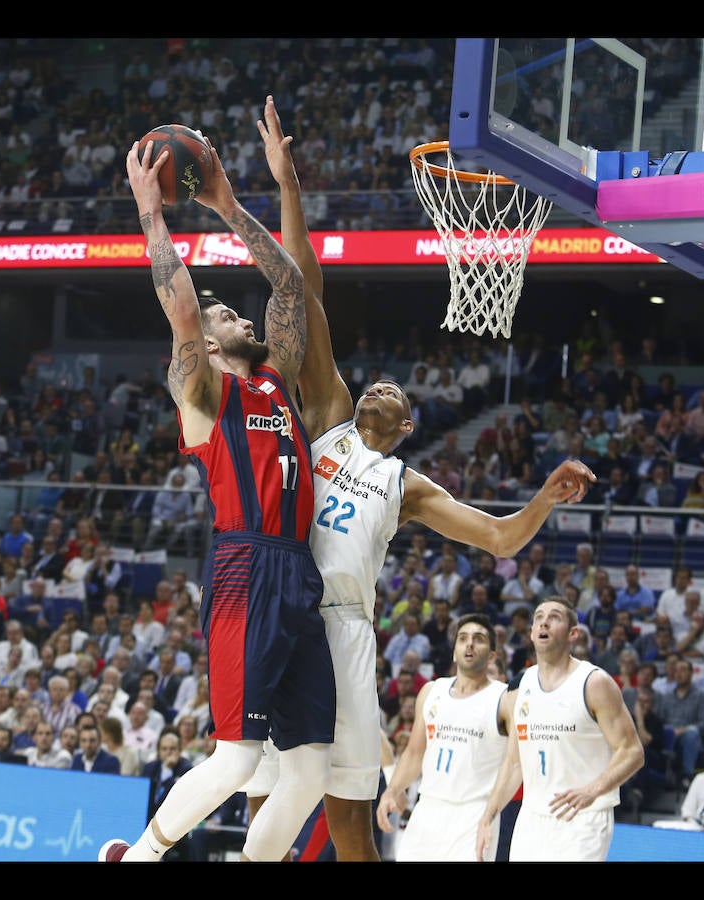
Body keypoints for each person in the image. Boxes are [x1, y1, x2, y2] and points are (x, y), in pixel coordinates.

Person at [239, 95, 597, 863]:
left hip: (346, 630)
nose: (377, 389)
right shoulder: (330, 412)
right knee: (261, 794)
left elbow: (502, 541)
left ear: (406, 427)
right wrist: (289, 186)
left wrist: (545, 495)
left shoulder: (406, 483)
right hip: (285, 608)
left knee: (348, 820)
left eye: (395, 395)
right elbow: (304, 286)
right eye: (374, 384)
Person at [100, 120, 334, 865]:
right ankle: (137, 858)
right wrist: (152, 215)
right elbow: (178, 309)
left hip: (298, 570)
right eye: (224, 314)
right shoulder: (201, 391)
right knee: (237, 760)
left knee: (308, 771)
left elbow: (291, 284)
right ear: (204, 342)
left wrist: (230, 204)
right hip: (245, 567)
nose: (238, 314)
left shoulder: (277, 377)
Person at [475, 597, 644, 861]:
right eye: (538, 617)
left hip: (583, 818)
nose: (544, 621)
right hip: (531, 817)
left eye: (554, 617)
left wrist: (593, 789)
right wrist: (488, 815)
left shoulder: (594, 682)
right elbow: (513, 764)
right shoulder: (521, 686)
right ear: (531, 633)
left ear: (573, 633)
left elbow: (632, 752)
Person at [374, 614, 509, 861]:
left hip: (475, 812)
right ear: (454, 652)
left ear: (492, 656)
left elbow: (516, 763)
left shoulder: (505, 698)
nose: (469, 644)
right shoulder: (431, 691)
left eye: (478, 639)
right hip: (428, 808)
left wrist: (491, 814)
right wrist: (393, 790)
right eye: (463, 638)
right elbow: (414, 752)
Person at [658, 657, 704, 789]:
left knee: (692, 733)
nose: (679, 673)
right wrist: (670, 731)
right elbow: (659, 720)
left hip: (690, 737)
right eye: (676, 670)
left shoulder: (702, 695)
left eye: (683, 670)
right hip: (669, 736)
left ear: (691, 673)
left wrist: (683, 730)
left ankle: (687, 776)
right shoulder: (667, 696)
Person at [141, 728, 195, 860]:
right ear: (159, 751)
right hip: (147, 818)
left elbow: (174, 799)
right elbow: (142, 796)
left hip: (173, 820)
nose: (168, 752)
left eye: (172, 749)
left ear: (179, 750)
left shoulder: (186, 768)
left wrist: (167, 772)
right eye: (164, 749)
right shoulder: (150, 768)